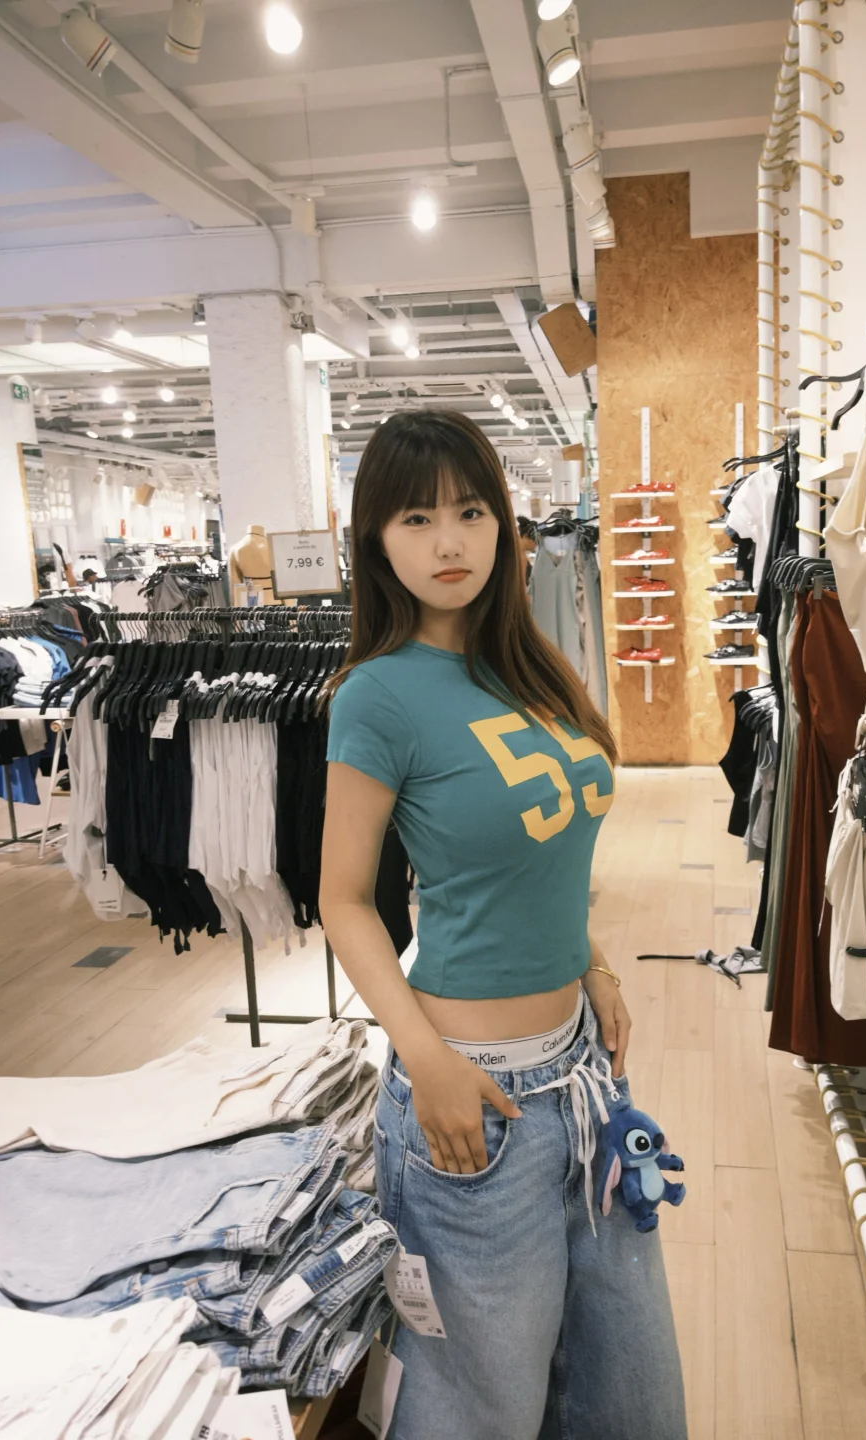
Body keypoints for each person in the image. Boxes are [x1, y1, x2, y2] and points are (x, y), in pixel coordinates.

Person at [319, 411, 686, 1440]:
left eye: (471, 511)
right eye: (416, 518)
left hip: (584, 1081)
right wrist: (424, 1057)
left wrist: (594, 963)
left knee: (629, 1395)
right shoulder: (376, 697)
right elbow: (344, 899)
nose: (449, 541)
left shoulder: (534, 667)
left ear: (505, 523)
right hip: (471, 1098)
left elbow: (545, 853)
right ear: (375, 541)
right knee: (478, 1411)